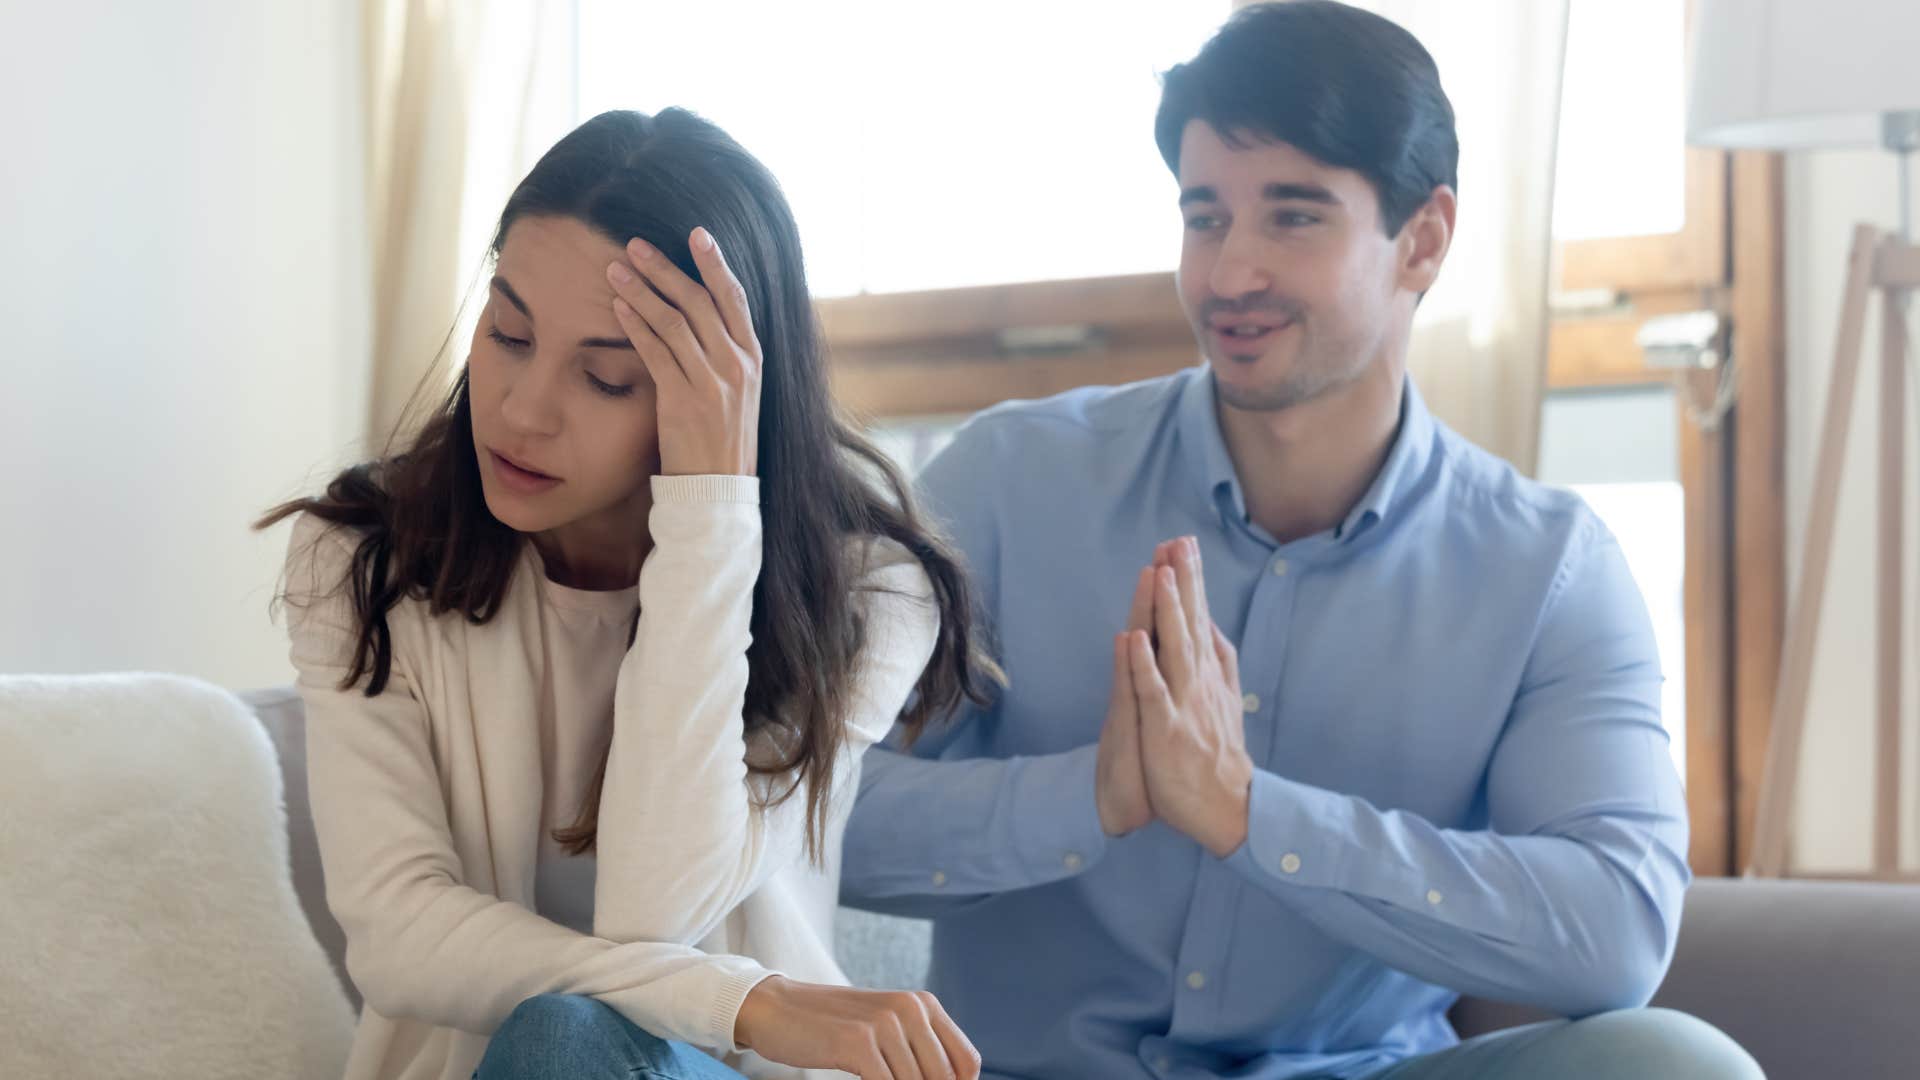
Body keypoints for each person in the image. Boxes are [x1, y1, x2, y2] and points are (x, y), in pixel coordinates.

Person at [840, 4, 1761, 1078]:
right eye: (1205, 217)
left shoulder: (1550, 571)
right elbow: (805, 813)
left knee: (1678, 1066)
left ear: (1423, 239)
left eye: (1293, 217)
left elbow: (1616, 933)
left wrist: (1247, 814)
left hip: (1359, 1070)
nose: (1230, 275)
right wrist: (1090, 799)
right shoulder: (1006, 481)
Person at [262, 108, 988, 1080]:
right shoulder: (364, 561)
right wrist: (746, 1000)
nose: (520, 411)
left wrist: (710, 508)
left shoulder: (866, 595)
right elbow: (399, 934)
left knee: (570, 1036)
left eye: (605, 379)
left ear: (728, 396)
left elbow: (658, 905)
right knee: (559, 1037)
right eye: (508, 331)